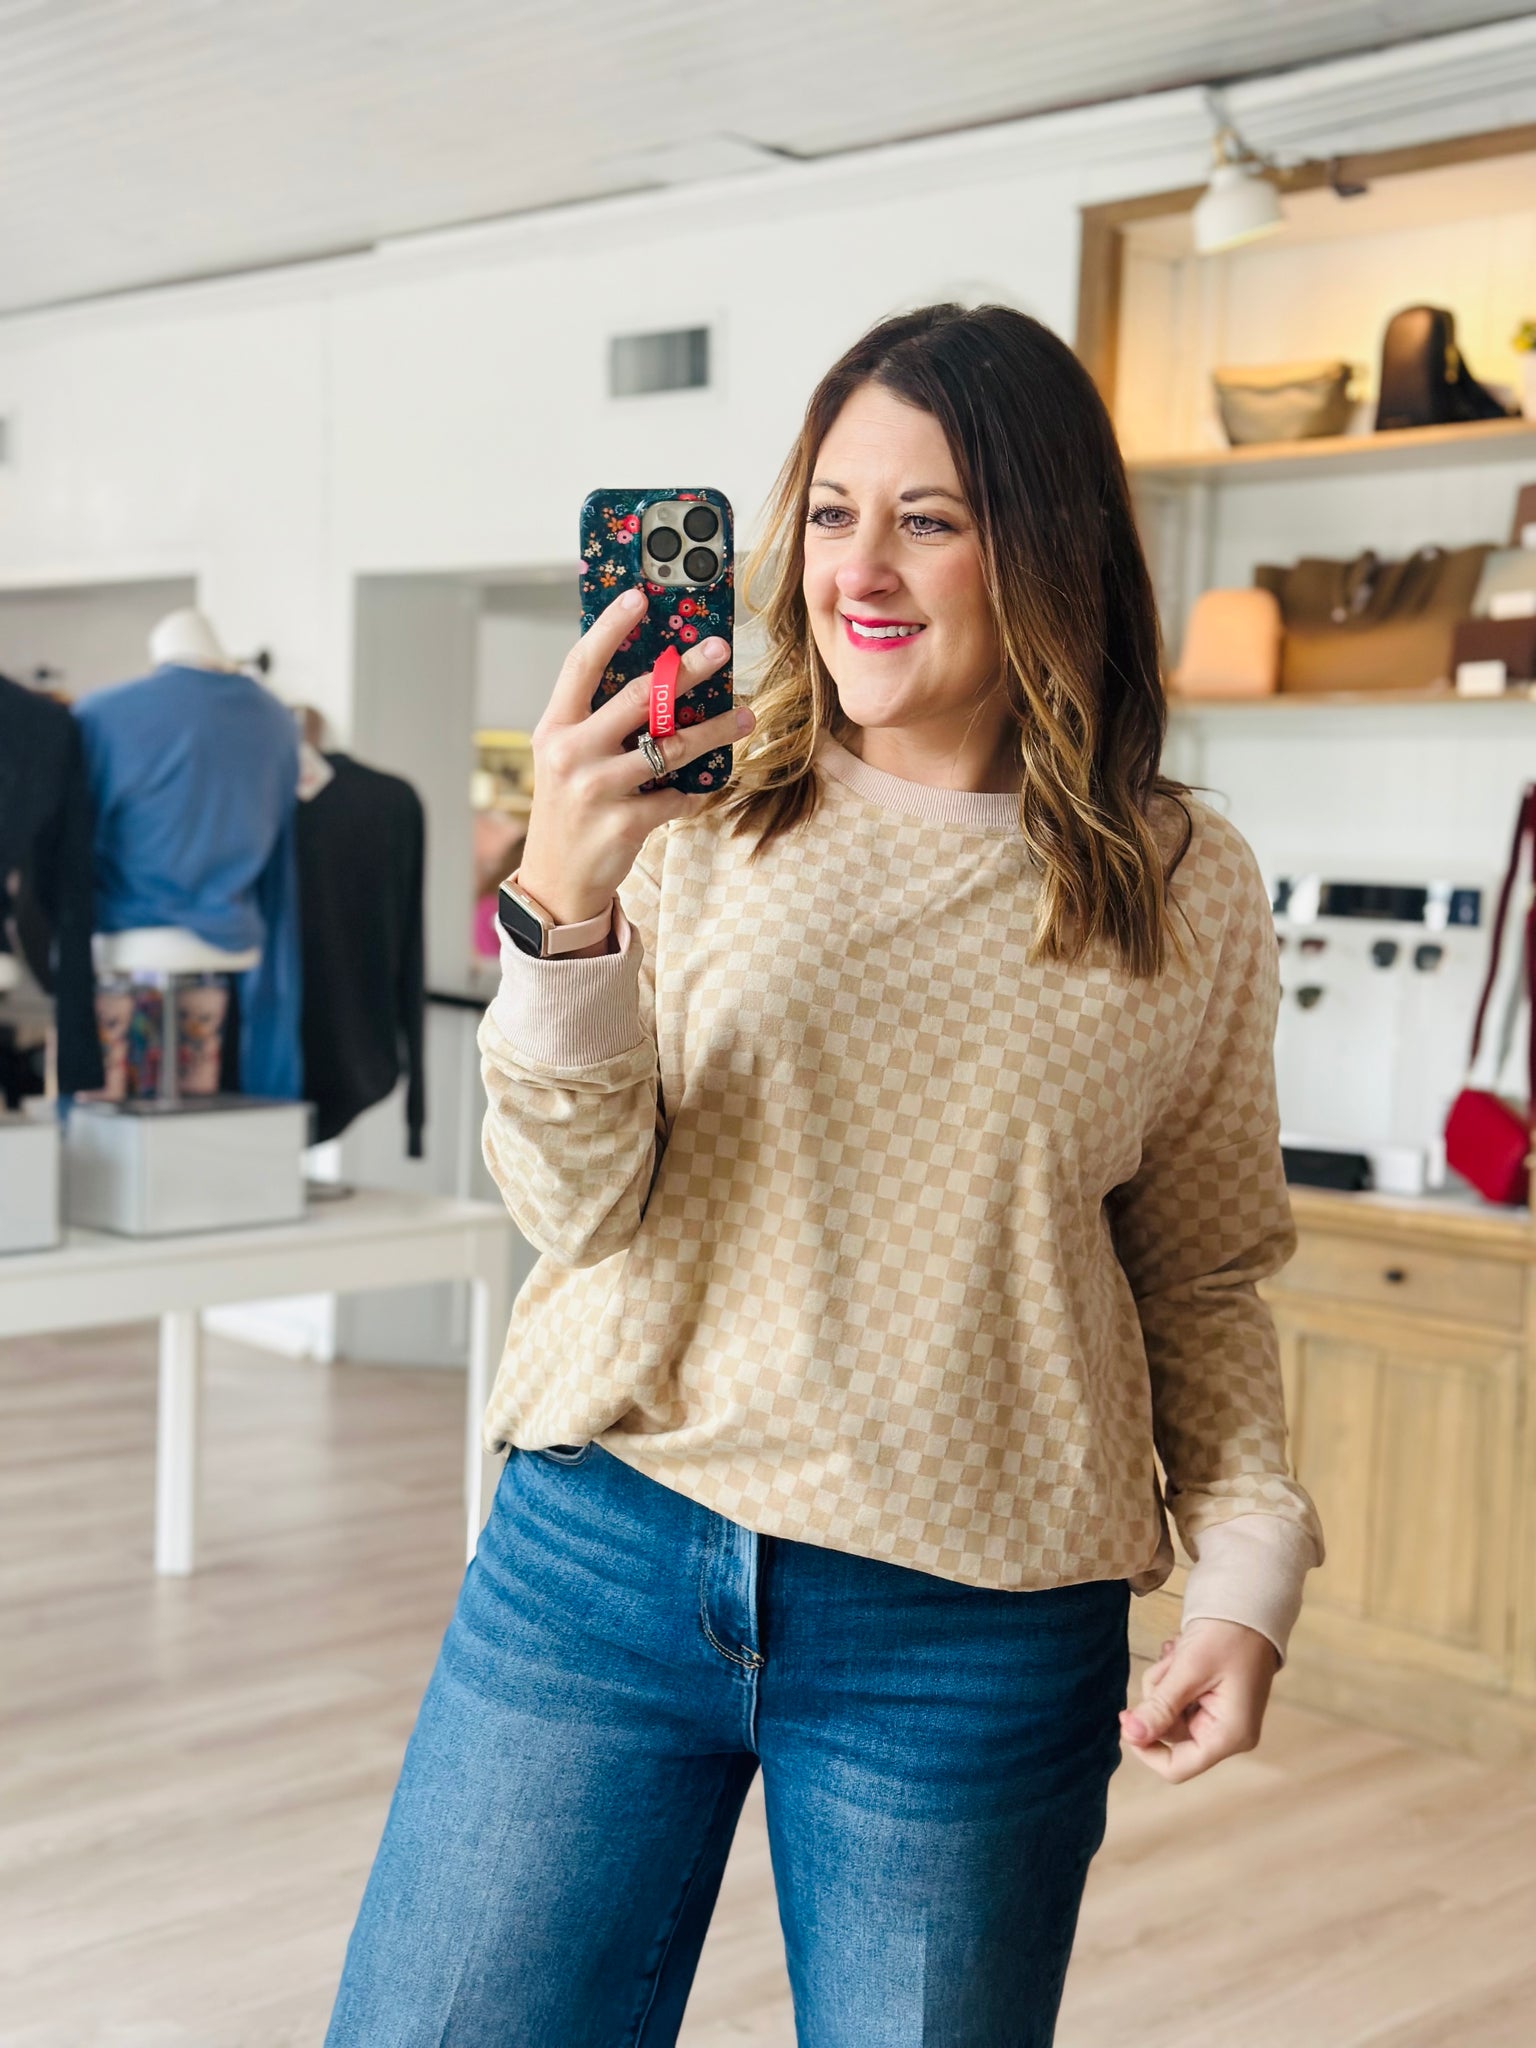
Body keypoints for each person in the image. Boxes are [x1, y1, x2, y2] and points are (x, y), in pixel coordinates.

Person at [325, 303, 1325, 2048]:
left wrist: (1247, 1573)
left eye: (930, 517)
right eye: (832, 507)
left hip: (973, 1625)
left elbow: (1206, 1269)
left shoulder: (1181, 882)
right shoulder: (690, 811)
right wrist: (561, 907)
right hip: (602, 1555)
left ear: (1049, 544)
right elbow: (572, 1207)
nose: (860, 564)